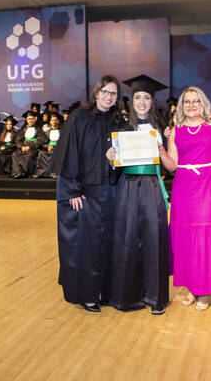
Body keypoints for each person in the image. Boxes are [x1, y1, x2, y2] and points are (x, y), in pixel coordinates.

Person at [51, 74, 125, 313]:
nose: (108, 97)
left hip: (110, 189)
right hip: (85, 193)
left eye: (113, 93)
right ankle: (87, 295)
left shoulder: (117, 120)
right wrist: (71, 190)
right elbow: (69, 153)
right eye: (105, 92)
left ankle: (104, 292)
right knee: (85, 244)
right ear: (96, 92)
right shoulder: (79, 117)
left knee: (107, 241)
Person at [106, 74, 170, 315]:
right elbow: (115, 168)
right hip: (129, 186)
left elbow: (170, 164)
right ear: (131, 101)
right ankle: (128, 297)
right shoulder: (122, 129)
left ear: (152, 101)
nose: (142, 102)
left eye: (146, 98)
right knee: (128, 238)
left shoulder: (162, 128)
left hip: (153, 186)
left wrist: (165, 146)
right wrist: (111, 161)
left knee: (155, 239)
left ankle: (155, 298)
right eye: (138, 97)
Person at [158, 86, 211, 311]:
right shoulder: (176, 130)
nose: (191, 105)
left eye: (196, 101)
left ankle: (204, 291)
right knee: (185, 238)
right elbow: (172, 166)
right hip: (183, 188)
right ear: (181, 106)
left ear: (203, 103)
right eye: (187, 101)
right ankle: (191, 288)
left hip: (207, 186)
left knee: (204, 236)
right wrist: (161, 152)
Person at [11, 111, 45, 178]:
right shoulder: (23, 129)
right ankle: (17, 172)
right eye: (29, 119)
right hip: (23, 147)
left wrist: (30, 146)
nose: (30, 120)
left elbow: (41, 140)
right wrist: (22, 147)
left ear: (35, 119)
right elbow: (17, 140)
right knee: (15, 154)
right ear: (26, 120)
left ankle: (26, 173)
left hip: (33, 148)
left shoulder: (39, 129)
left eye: (32, 119)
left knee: (29, 155)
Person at [35, 113, 63, 178]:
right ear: (50, 122)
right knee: (41, 153)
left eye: (55, 120)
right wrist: (48, 146)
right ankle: (43, 173)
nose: (54, 122)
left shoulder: (62, 132)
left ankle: (55, 173)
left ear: (58, 122)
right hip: (49, 149)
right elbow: (43, 143)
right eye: (52, 120)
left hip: (59, 149)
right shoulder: (46, 133)